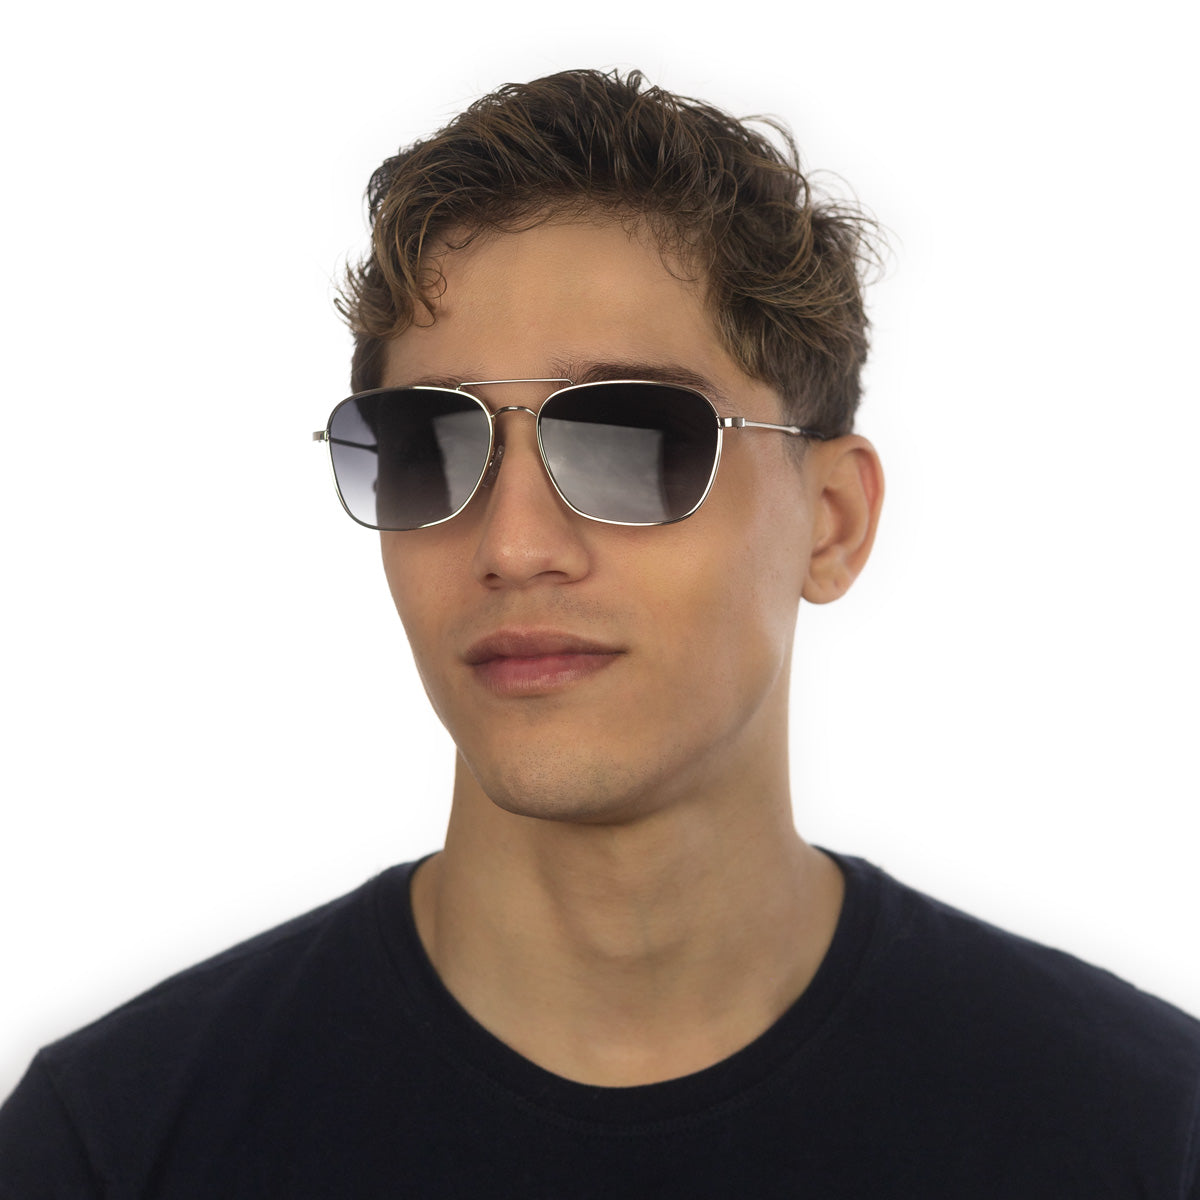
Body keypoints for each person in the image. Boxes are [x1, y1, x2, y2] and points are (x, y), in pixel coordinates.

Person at [1, 68, 1197, 1198]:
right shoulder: (111, 1150)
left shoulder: (1143, 1135)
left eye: (633, 437)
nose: (514, 543)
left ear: (832, 522)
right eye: (428, 446)